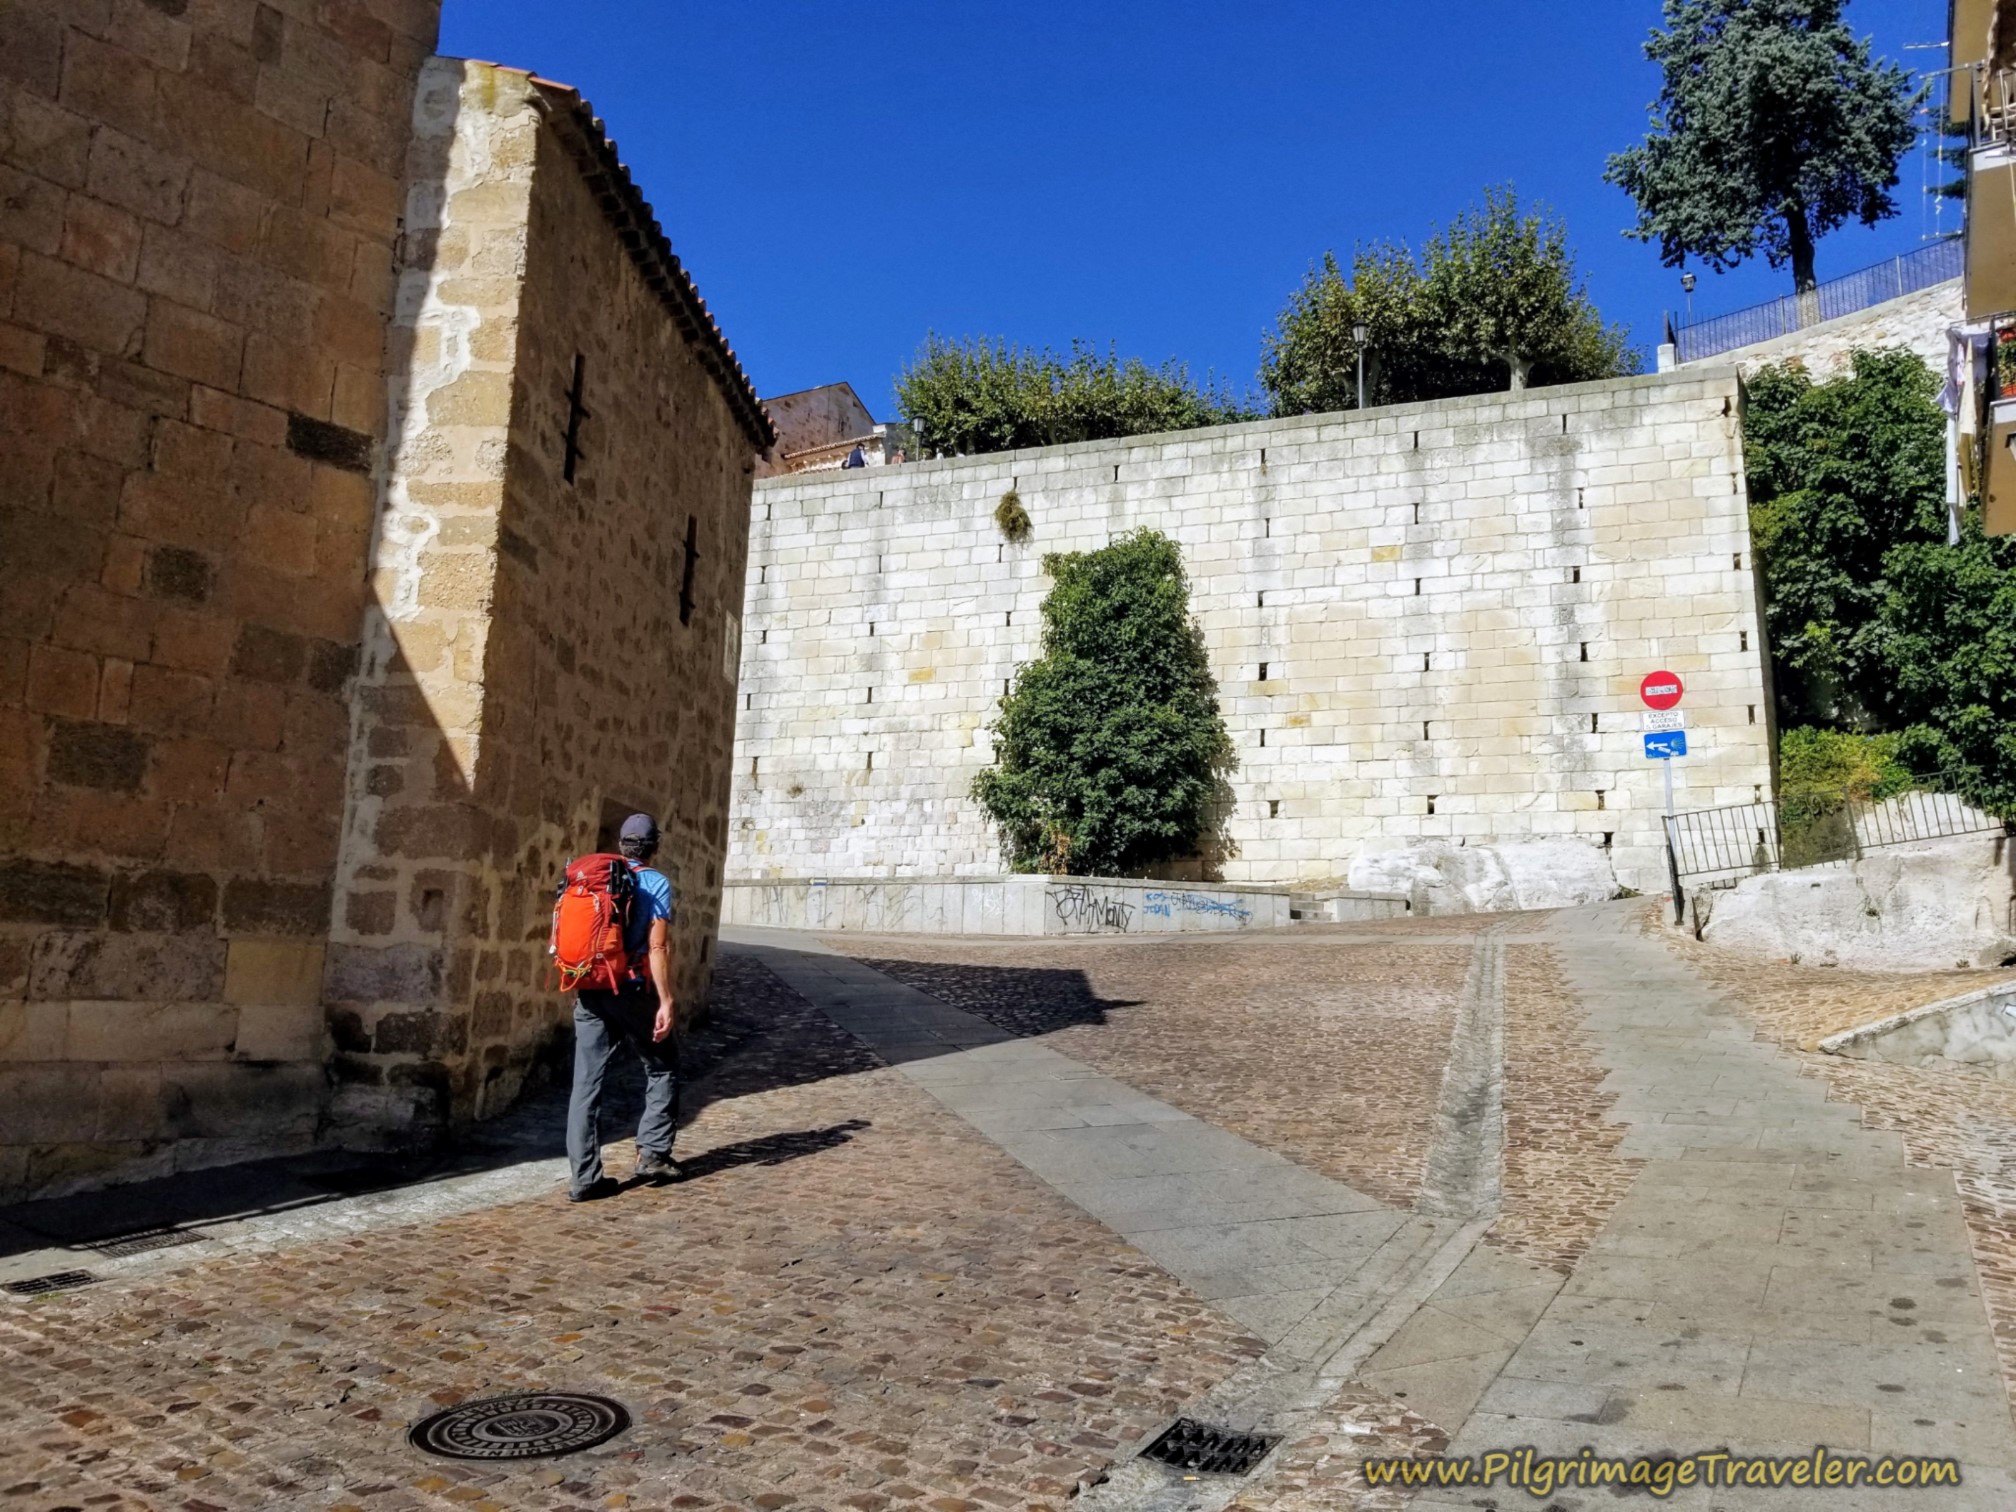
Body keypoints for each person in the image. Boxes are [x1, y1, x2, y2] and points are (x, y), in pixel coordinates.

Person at [566, 812, 679, 1201]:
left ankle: (584, 1178)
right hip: (630, 989)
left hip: (590, 987)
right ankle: (653, 1153)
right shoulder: (655, 882)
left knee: (586, 1082)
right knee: (662, 1064)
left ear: (621, 844)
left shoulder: (591, 876)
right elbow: (657, 947)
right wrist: (665, 1000)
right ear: (654, 847)